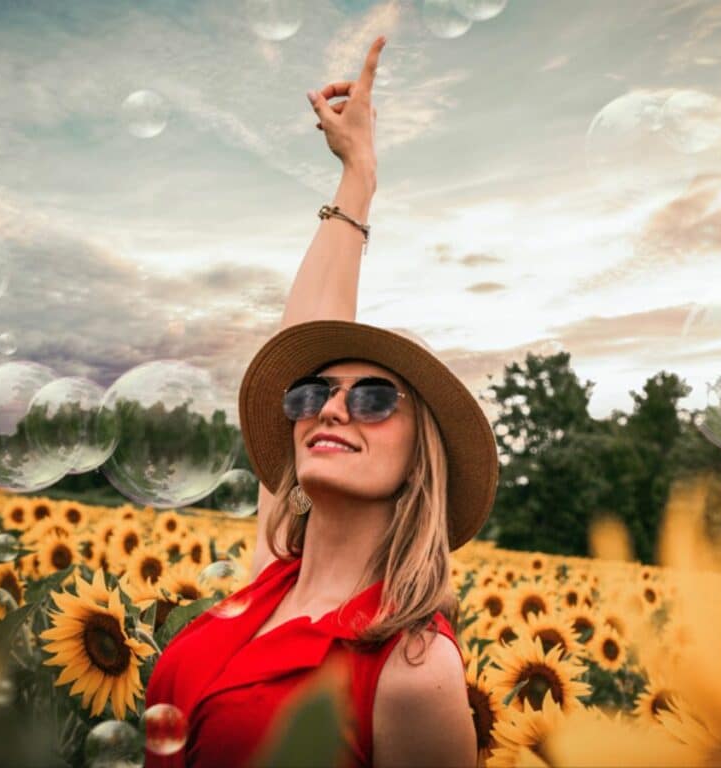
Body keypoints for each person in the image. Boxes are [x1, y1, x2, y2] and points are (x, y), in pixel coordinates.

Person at [144, 36, 498, 768]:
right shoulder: (273, 573)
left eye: (373, 398)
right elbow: (304, 334)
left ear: (419, 460)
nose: (331, 410)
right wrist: (358, 177)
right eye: (314, 394)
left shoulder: (412, 666)